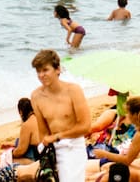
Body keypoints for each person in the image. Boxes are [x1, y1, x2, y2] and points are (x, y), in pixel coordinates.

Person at [30, 49, 93, 182]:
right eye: (38, 71)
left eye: (45, 70)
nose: (41, 75)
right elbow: (43, 132)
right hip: (52, 148)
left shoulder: (73, 91)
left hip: (73, 146)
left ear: (58, 69)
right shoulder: (36, 96)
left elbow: (85, 126)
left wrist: (57, 137)